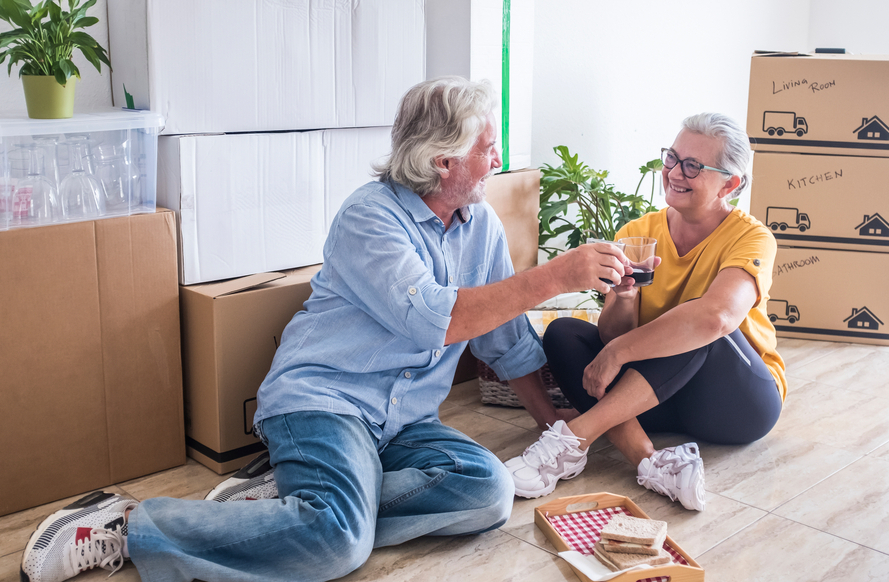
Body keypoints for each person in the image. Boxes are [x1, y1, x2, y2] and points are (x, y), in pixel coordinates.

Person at [21, 77, 634, 582]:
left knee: (489, 491)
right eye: (487, 147)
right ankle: (130, 525)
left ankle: (284, 509)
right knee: (338, 544)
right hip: (325, 400)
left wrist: (553, 429)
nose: (497, 159)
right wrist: (552, 277)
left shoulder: (481, 226)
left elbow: (501, 340)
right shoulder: (370, 217)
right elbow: (435, 320)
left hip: (405, 422)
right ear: (443, 160)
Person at [504, 112, 786, 511]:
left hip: (736, 402)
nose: (674, 172)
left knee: (700, 321)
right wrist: (623, 298)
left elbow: (717, 317)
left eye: (692, 166)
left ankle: (573, 439)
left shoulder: (752, 237)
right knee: (564, 334)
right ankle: (650, 461)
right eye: (671, 158)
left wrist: (618, 354)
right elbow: (611, 335)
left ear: (731, 183)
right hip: (659, 397)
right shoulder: (639, 233)